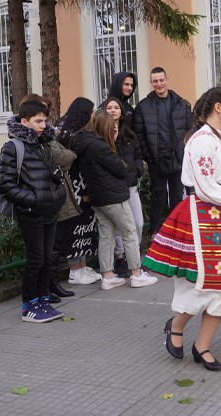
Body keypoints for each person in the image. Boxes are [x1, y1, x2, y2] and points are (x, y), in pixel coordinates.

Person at [142, 87, 221, 372]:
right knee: (199, 283)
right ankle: (177, 325)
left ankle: (202, 345)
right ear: (218, 107)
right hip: (200, 216)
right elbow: (206, 188)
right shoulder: (200, 141)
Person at [0, 100, 66, 322]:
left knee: (48, 259)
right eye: (38, 121)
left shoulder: (43, 145)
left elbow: (51, 176)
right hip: (31, 213)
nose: (43, 125)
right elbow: (6, 186)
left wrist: (56, 194)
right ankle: (29, 306)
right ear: (24, 121)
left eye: (45, 120)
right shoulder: (12, 148)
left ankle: (43, 301)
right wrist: (35, 201)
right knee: (36, 260)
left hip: (49, 212)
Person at [73, 110, 158, 290]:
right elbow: (121, 168)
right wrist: (113, 143)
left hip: (97, 198)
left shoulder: (84, 143)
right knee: (129, 232)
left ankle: (108, 276)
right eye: (112, 128)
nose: (114, 130)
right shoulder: (100, 146)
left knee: (106, 235)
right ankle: (136, 274)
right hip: (113, 196)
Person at [133, 67, 192, 236]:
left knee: (176, 197)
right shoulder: (143, 106)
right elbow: (139, 135)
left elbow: (189, 131)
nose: (159, 84)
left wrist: (184, 153)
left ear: (167, 80)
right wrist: (149, 156)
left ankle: (176, 232)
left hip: (177, 157)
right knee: (157, 196)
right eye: (155, 81)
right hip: (156, 159)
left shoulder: (181, 103)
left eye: (161, 80)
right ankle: (155, 233)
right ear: (151, 83)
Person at [52, 97, 103, 288]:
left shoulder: (68, 129)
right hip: (74, 186)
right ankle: (75, 270)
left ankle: (82, 266)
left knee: (84, 225)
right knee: (75, 226)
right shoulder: (70, 134)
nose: (92, 116)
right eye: (90, 113)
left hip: (78, 185)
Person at [103, 97, 145, 276]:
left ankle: (133, 256)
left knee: (138, 223)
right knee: (120, 226)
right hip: (115, 187)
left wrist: (137, 170)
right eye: (109, 107)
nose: (113, 110)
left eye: (116, 108)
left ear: (121, 111)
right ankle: (120, 258)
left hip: (131, 184)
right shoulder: (102, 134)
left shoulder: (129, 133)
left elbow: (137, 154)